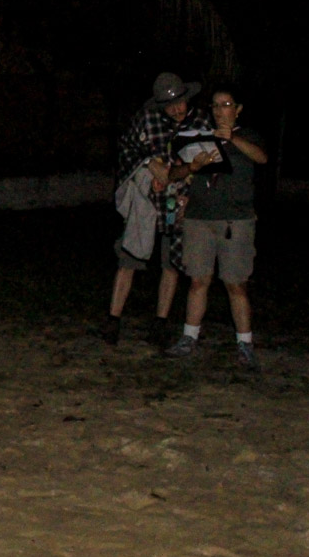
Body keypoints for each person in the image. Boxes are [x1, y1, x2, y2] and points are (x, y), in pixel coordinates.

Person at [164, 84, 268, 369]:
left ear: (238, 109)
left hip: (235, 221)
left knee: (236, 284)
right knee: (198, 280)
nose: (220, 110)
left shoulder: (246, 136)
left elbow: (262, 158)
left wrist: (231, 139)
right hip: (199, 218)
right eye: (215, 105)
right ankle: (189, 337)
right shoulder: (198, 137)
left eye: (226, 104)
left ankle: (245, 343)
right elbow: (174, 172)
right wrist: (192, 168)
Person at [104, 72, 211, 346]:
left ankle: (160, 323)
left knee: (171, 263)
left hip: (180, 202)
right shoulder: (146, 119)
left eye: (179, 103)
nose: (176, 109)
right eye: (169, 104)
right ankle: (113, 321)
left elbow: (208, 164)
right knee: (129, 258)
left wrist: (189, 187)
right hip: (146, 202)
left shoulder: (199, 121)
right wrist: (149, 163)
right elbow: (126, 148)